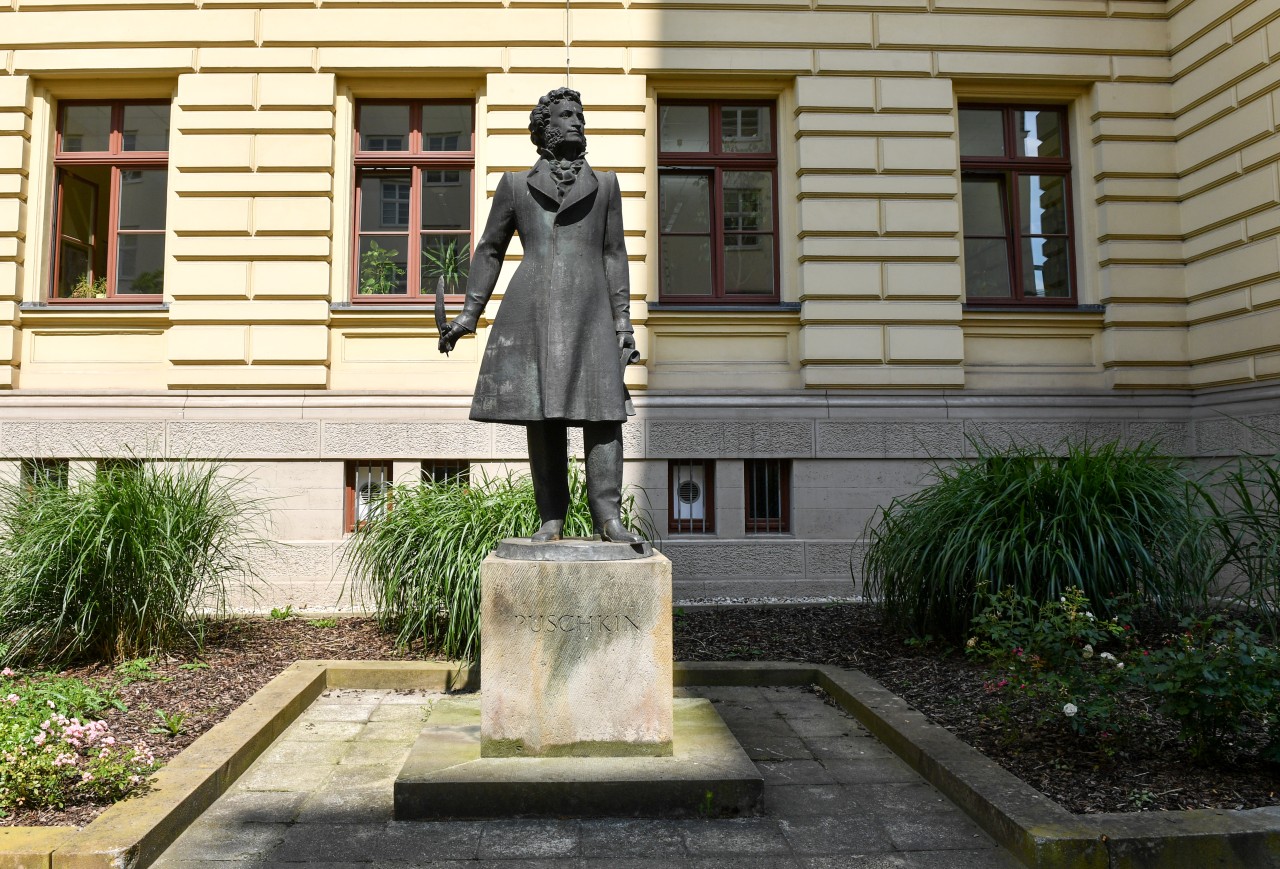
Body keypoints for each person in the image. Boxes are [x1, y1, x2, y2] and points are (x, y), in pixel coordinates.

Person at [438, 87, 642, 545]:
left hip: (592, 311)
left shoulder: (606, 184)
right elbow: (490, 249)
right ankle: (551, 517)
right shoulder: (514, 184)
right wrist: (468, 316)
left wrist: (623, 323)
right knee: (543, 415)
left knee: (603, 414)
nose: (577, 122)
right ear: (544, 129)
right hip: (532, 312)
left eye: (580, 115)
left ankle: (608, 518)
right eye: (567, 115)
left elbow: (614, 255)